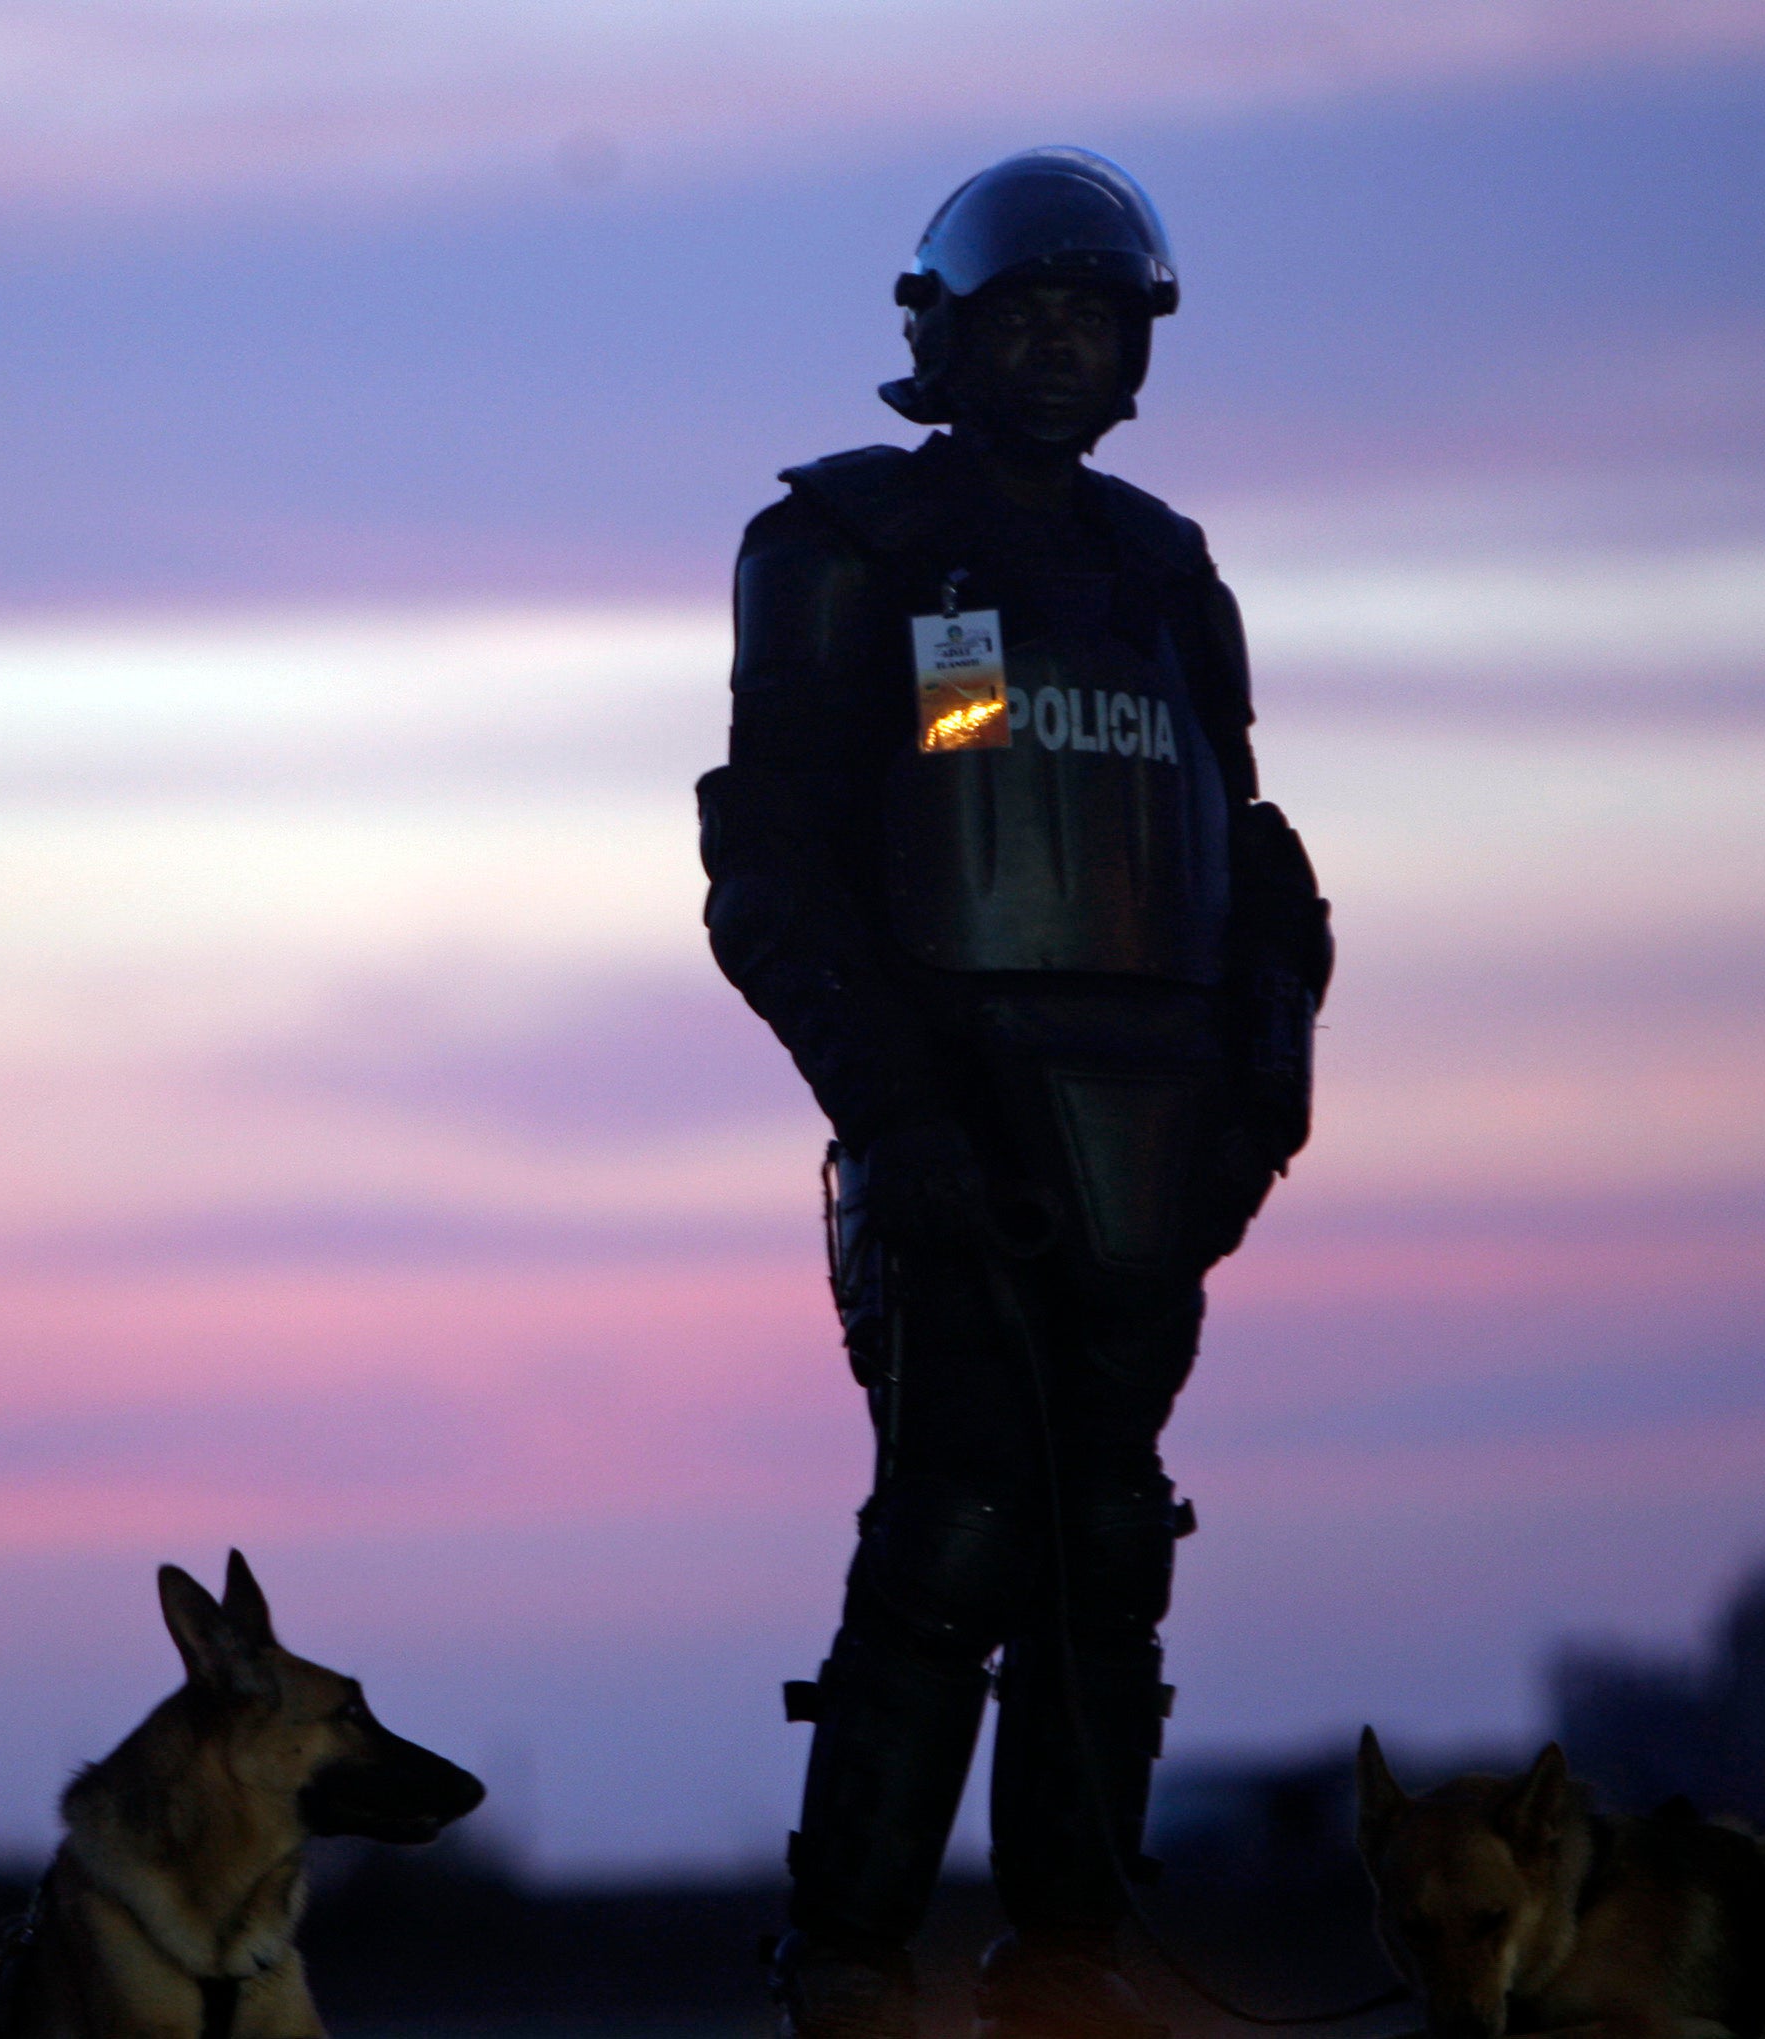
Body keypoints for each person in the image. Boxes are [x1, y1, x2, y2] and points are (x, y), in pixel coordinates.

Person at [696, 149, 1332, 2039]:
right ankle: (853, 1968)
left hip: (1161, 1149)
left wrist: (1259, 1107)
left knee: (1109, 1546)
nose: (1063, 343)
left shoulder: (1163, 573)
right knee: (958, 1525)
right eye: (1027, 311)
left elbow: (1251, 870)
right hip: (954, 1126)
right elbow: (779, 876)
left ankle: (1072, 1963)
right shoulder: (848, 547)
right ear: (944, 332)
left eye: (1096, 314)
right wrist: (901, 1122)